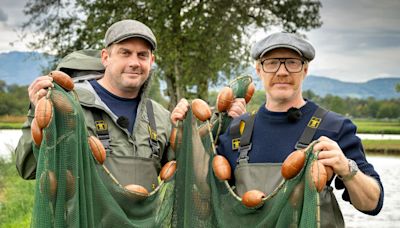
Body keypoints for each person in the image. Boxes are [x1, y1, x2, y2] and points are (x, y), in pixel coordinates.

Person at [173, 32, 384, 227]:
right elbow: (204, 196)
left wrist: (347, 169)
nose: (282, 72)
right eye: (272, 63)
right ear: (259, 70)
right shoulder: (237, 129)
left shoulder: (334, 127)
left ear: (305, 69)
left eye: (292, 63)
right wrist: (187, 130)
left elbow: (372, 203)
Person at [15, 19, 245, 193]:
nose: (134, 62)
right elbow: (29, 169)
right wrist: (36, 114)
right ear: (106, 57)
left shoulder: (161, 117)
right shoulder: (68, 106)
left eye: (142, 55)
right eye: (125, 53)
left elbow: (183, 176)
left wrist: (200, 129)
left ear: (151, 61)